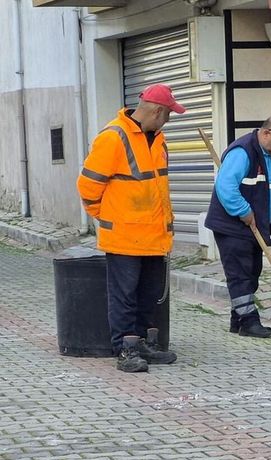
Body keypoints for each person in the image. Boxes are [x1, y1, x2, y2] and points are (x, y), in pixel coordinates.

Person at [77, 83, 184, 373]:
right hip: (125, 235)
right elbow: (87, 186)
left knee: (148, 294)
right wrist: (109, 217)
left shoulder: (158, 139)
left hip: (153, 235)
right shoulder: (114, 137)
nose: (169, 120)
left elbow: (158, 188)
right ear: (157, 111)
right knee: (124, 295)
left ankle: (144, 344)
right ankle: (125, 349)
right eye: (169, 114)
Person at [204, 116, 271, 338]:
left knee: (251, 273)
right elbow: (225, 187)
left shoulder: (270, 155)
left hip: (253, 227)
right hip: (232, 227)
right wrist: (243, 211)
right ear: (266, 133)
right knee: (241, 276)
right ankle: (249, 322)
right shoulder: (242, 152)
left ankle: (238, 321)